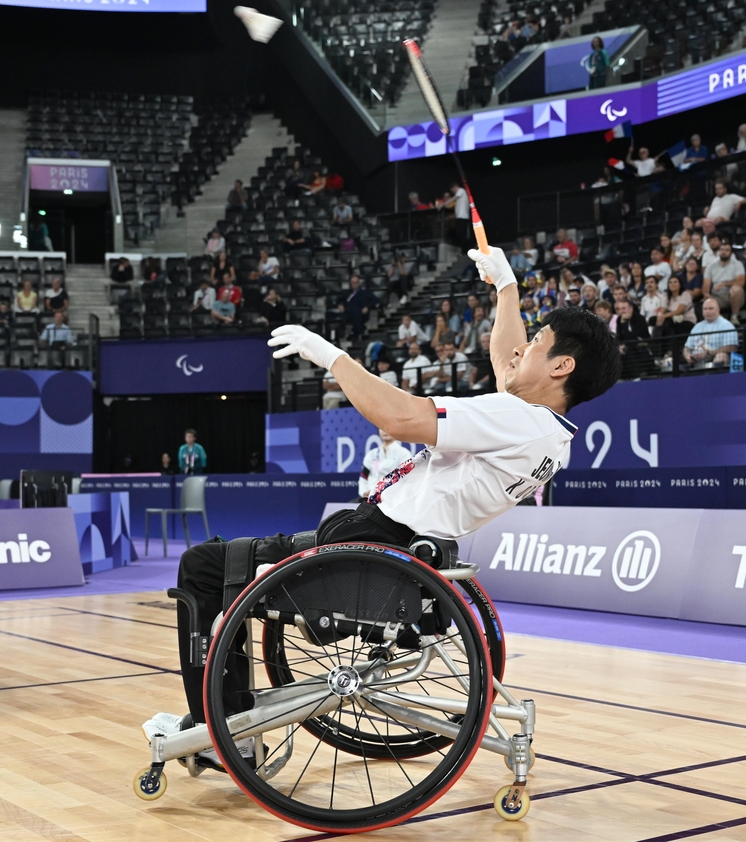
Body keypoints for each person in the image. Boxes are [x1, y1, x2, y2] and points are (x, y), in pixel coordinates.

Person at [149, 244, 621, 744]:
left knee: (203, 566)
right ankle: (228, 719)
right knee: (230, 564)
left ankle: (216, 730)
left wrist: (329, 355)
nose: (522, 348)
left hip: (373, 544)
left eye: (537, 341)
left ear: (561, 366)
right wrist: (507, 288)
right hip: (389, 542)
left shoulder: (517, 419)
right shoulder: (547, 433)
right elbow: (507, 364)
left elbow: (398, 417)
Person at [683, 297, 738, 367]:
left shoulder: (726, 325)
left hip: (713, 358)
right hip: (696, 360)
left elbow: (732, 347)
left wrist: (709, 353)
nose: (707, 311)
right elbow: (687, 348)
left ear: (718, 310)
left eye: (710, 309)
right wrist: (688, 355)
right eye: (705, 309)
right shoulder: (697, 327)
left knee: (721, 356)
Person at [702, 239, 746, 322]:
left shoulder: (737, 264)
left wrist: (725, 283)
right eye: (722, 250)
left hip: (732, 296)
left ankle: (734, 317)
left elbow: (741, 282)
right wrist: (706, 295)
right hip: (717, 296)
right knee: (705, 302)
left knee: (736, 289)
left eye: (727, 250)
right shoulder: (711, 266)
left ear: (731, 253)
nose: (724, 252)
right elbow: (706, 284)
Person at [358, 428, 409, 499]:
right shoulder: (371, 454)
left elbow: (405, 481)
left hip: (392, 499)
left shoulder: (404, 454)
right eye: (381, 428)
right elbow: (363, 478)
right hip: (369, 499)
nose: (385, 431)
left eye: (387, 427)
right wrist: (365, 493)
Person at [445, 182, 471, 248]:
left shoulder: (461, 191)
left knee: (461, 234)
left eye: (452, 190)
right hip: (460, 217)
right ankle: (464, 249)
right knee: (459, 234)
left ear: (454, 187)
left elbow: (454, 198)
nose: (453, 192)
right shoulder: (460, 195)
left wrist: (444, 204)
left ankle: (467, 249)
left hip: (463, 217)